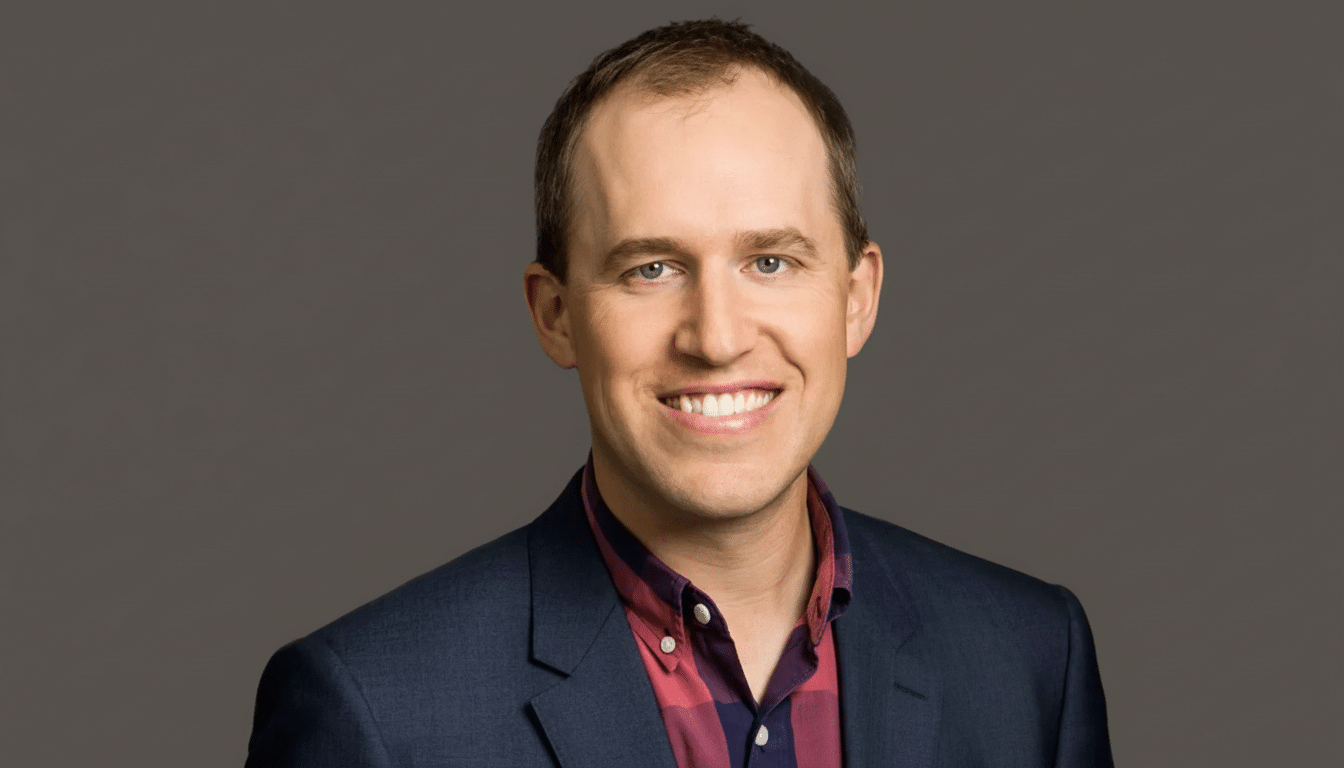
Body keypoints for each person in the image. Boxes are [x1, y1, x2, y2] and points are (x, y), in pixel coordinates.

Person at [245, 19, 1112, 768]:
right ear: (556, 316)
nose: (717, 335)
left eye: (770, 261)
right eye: (652, 268)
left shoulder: (1031, 661)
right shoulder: (376, 713)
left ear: (856, 299)